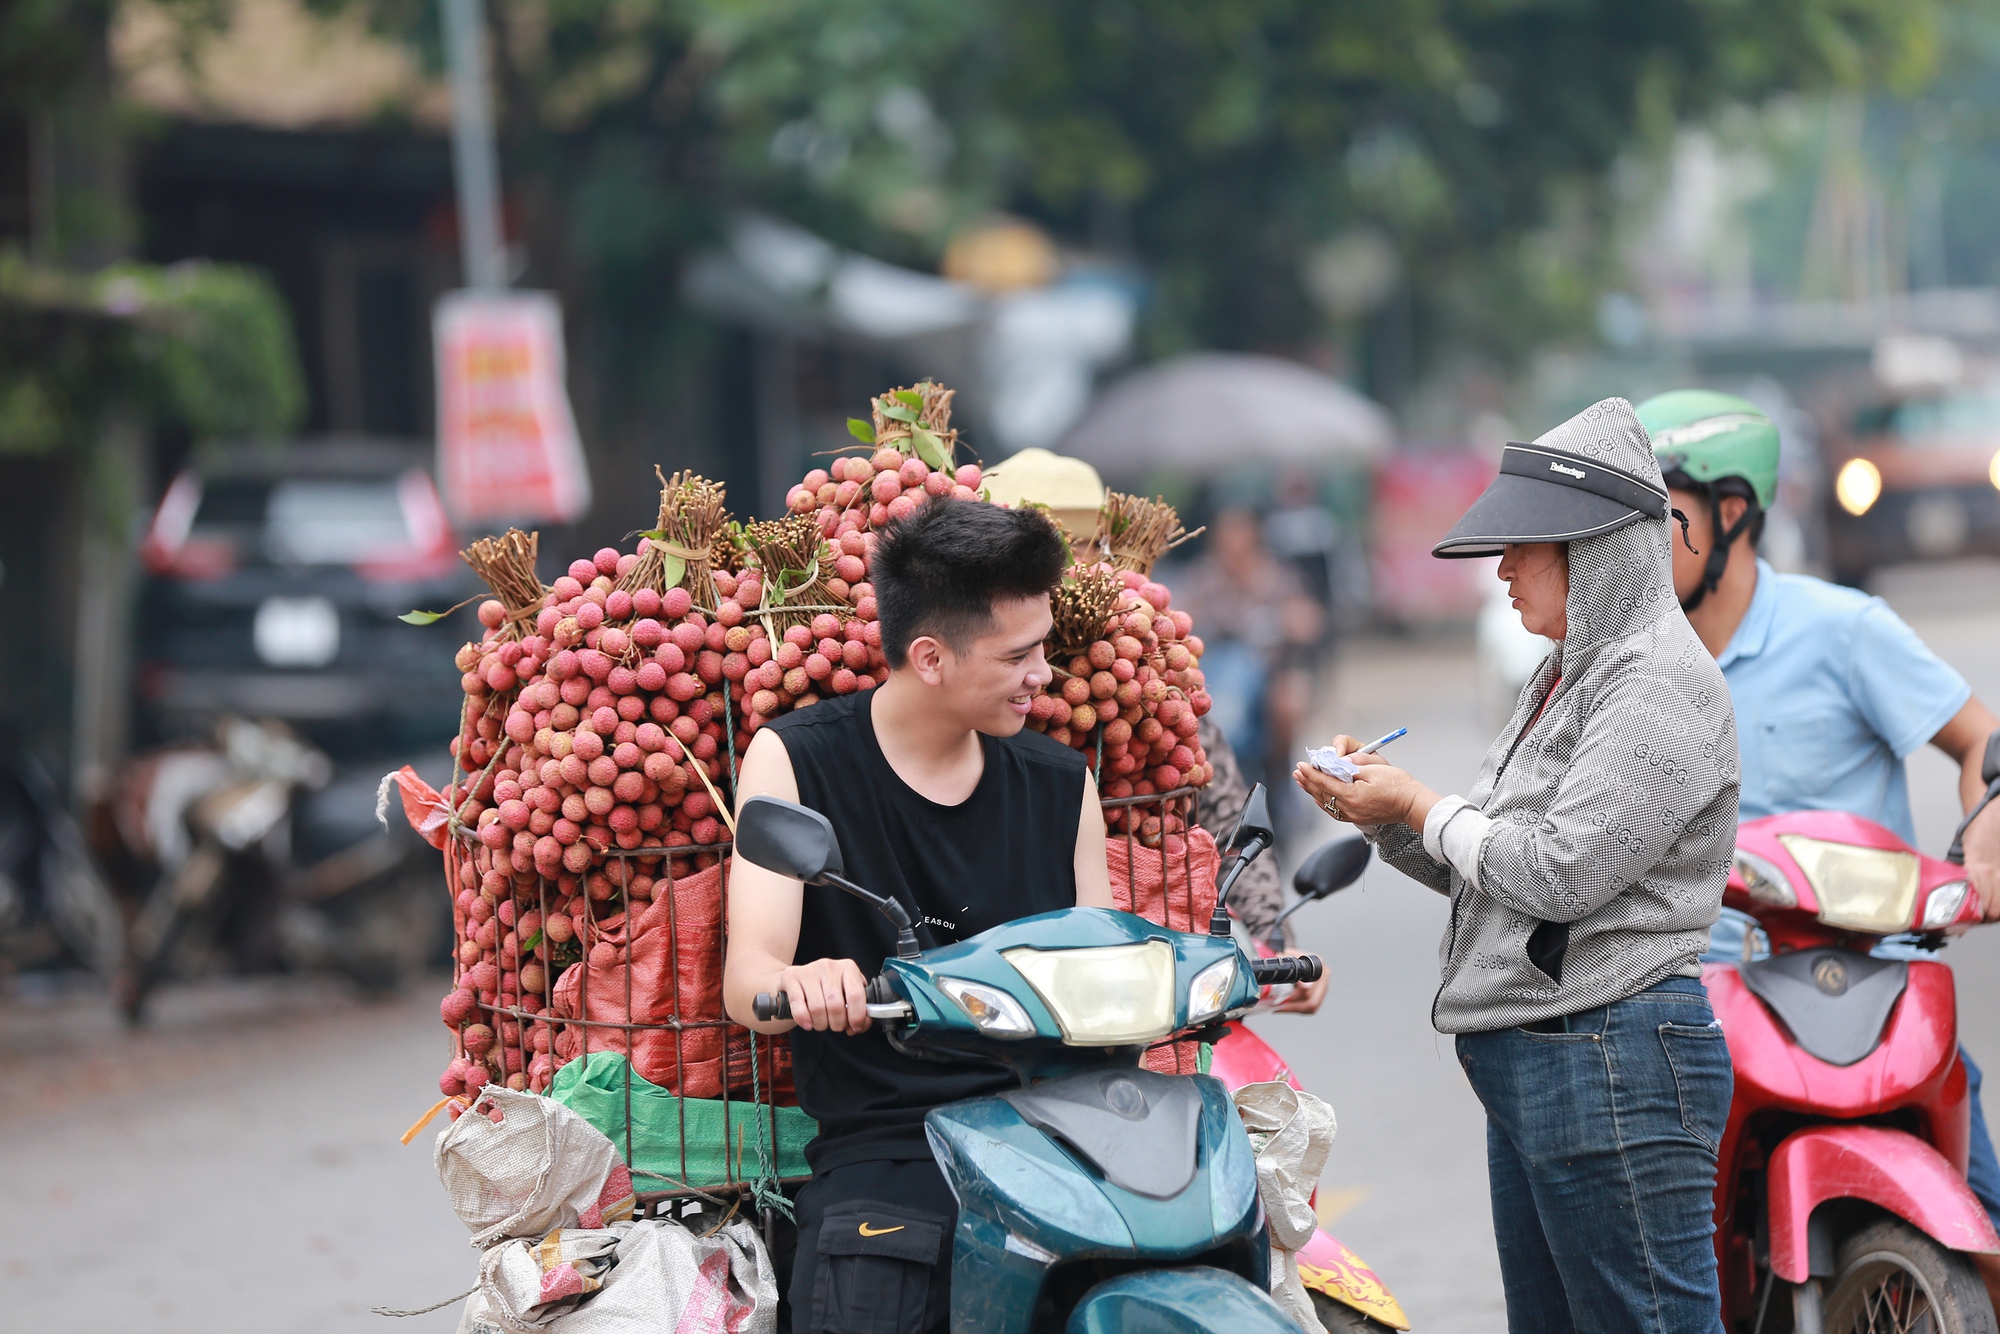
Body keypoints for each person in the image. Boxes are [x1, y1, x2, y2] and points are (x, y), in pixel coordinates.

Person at [1294, 398, 1740, 1333]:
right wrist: (1384, 811)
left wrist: (1421, 803)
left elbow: (1559, 873)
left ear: (1600, 549)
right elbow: (1493, 865)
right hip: (1551, 1056)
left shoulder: (1655, 680)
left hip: (1611, 1055)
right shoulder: (1569, 673)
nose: (1500, 569)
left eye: (1523, 547)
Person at [1637, 387, 2000, 1300]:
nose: (1632, 546)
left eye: (1658, 517)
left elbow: (1977, 744)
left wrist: (1983, 853)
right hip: (1693, 1004)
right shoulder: (1623, 667)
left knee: (1988, 1223)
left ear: (1730, 514)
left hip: (1866, 983)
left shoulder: (1844, 631)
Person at [723, 497, 1113, 1334]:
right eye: (1017, 656)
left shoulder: (1059, 780)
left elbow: (1103, 960)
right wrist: (804, 981)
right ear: (929, 656)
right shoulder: (796, 759)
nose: (1042, 674)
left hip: (1051, 1136)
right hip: (890, 1148)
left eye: (1041, 647)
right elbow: (747, 977)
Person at [1172, 508, 1323, 793]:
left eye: (1240, 534)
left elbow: (1309, 620)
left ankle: (1282, 784)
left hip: (1269, 675)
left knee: (1290, 702)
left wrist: (1284, 621)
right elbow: (1178, 616)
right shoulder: (1204, 578)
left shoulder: (1275, 576)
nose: (1233, 543)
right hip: (1212, 674)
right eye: (1226, 535)